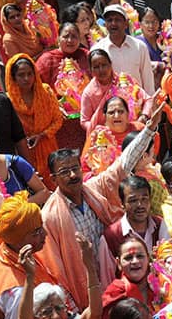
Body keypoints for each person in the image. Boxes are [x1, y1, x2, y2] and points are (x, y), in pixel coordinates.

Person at [40, 121, 156, 309]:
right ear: (53, 179)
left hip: (113, 276)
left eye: (75, 168)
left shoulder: (94, 190)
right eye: (64, 172)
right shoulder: (50, 217)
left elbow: (123, 164)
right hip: (83, 289)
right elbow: (55, 268)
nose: (72, 175)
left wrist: (150, 128)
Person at [0, 192, 58, 319]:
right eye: (37, 232)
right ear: (17, 239)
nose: (45, 234)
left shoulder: (10, 252)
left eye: (42, 228)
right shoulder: (16, 293)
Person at [19, 235, 99, 319]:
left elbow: (96, 312)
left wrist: (90, 267)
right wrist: (29, 276)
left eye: (59, 308)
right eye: (47, 312)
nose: (55, 316)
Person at [5, 55, 63, 188]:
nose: (26, 79)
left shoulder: (46, 92)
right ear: (13, 77)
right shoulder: (8, 100)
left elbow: (58, 119)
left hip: (48, 147)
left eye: (29, 74)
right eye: (21, 75)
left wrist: (42, 135)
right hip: (24, 151)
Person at [80, 48, 156, 132]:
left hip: (133, 132)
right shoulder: (89, 92)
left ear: (110, 65)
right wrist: (102, 130)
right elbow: (84, 121)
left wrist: (143, 117)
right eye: (96, 67)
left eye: (104, 65)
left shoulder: (125, 81)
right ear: (91, 70)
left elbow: (148, 99)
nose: (101, 70)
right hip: (108, 138)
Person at [93, 4, 158, 95]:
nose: (113, 24)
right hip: (112, 106)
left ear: (126, 23)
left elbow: (148, 80)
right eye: (109, 20)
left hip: (138, 104)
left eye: (117, 20)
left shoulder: (139, 47)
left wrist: (150, 104)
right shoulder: (97, 50)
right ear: (105, 24)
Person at [36, 22, 90, 86]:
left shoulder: (86, 55)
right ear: (58, 38)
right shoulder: (47, 59)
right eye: (66, 36)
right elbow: (38, 85)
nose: (70, 40)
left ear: (79, 39)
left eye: (74, 36)